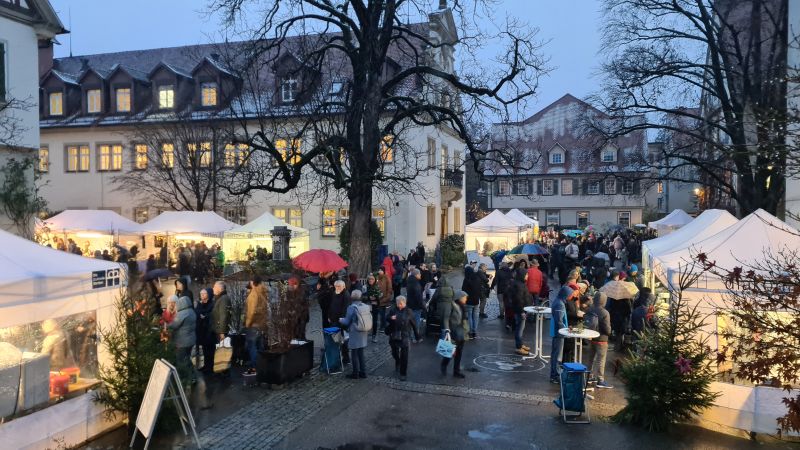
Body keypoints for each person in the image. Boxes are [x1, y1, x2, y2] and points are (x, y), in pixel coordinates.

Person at [386, 295, 422, 381]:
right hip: (394, 334)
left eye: (400, 304)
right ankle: (397, 361)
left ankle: (403, 373)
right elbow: (386, 318)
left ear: (404, 303)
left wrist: (417, 336)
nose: (399, 305)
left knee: (404, 355)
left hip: (404, 335)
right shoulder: (393, 310)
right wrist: (391, 318)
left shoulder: (409, 311)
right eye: (398, 303)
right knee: (394, 352)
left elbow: (414, 325)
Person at [339, 290, 370, 379]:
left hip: (355, 332)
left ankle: (355, 373)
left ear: (352, 297)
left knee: (354, 353)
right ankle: (363, 372)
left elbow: (346, 321)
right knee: (361, 352)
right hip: (363, 331)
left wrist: (341, 320)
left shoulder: (351, 307)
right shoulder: (365, 306)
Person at [586, 292, 613, 388]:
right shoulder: (605, 312)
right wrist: (610, 332)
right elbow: (607, 329)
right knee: (601, 360)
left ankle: (589, 377)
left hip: (591, 337)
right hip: (602, 339)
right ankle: (600, 380)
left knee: (591, 358)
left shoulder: (590, 309)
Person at [244, 275, 268, 375]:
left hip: (254, 325)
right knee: (260, 346)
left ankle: (255, 367)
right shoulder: (263, 292)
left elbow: (251, 312)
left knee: (252, 346)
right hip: (261, 323)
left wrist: (247, 324)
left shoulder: (253, 294)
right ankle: (262, 365)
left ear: (253, 282)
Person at [440, 290, 468, 378]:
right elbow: (446, 318)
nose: (466, 299)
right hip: (452, 331)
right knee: (449, 351)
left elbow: (464, 319)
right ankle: (444, 364)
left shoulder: (463, 307)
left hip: (460, 332)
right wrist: (447, 330)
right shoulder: (451, 306)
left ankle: (456, 371)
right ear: (459, 298)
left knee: (459, 352)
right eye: (464, 298)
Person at [168, 295, 197, 381]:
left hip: (182, 342)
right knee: (187, 358)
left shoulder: (182, 314)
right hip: (191, 340)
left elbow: (173, 325)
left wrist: (166, 325)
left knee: (181, 360)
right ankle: (193, 376)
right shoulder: (191, 311)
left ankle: (185, 379)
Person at [549, 286, 572, 384]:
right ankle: (555, 376)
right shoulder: (560, 304)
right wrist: (566, 330)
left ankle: (554, 374)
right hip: (559, 334)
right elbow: (559, 321)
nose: (570, 296)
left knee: (555, 354)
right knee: (557, 356)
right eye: (570, 294)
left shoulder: (558, 301)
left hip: (557, 332)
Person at [507, 268, 530, 355]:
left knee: (521, 328)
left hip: (521, 309)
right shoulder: (519, 285)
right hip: (520, 310)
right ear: (522, 275)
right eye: (526, 274)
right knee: (519, 329)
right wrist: (522, 311)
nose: (527, 276)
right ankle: (518, 347)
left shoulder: (519, 283)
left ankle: (520, 344)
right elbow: (518, 299)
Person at [330, 280, 351, 364]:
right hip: (334, 320)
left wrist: (341, 320)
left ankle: (346, 358)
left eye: (339, 286)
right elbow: (332, 305)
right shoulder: (335, 293)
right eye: (336, 286)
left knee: (343, 340)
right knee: (336, 339)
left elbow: (345, 309)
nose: (337, 288)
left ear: (343, 286)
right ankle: (338, 357)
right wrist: (329, 316)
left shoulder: (346, 295)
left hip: (341, 321)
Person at [195, 288, 216, 375]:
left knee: (210, 350)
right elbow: (197, 312)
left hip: (209, 330)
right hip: (201, 330)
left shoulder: (212, 304)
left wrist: (205, 316)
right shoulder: (200, 303)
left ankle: (210, 367)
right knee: (204, 349)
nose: (202, 295)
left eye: (204, 293)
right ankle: (206, 366)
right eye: (201, 294)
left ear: (208, 295)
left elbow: (212, 314)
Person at [461, 265, 481, 339]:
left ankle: (470, 332)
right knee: (475, 316)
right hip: (476, 300)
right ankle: (474, 332)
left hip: (469, 300)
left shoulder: (466, 279)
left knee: (469, 316)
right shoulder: (477, 278)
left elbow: (463, 290)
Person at [365, 273, 385, 343]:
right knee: (368, 319)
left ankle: (374, 335)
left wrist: (375, 298)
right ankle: (369, 331)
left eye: (372, 279)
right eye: (369, 279)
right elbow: (364, 296)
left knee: (375, 321)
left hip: (375, 306)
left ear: (374, 280)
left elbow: (381, 295)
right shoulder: (367, 287)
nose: (370, 280)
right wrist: (368, 298)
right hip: (368, 306)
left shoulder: (376, 287)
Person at [405, 268, 425, 335]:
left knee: (410, 322)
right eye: (419, 274)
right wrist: (423, 306)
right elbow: (418, 297)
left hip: (410, 304)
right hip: (416, 306)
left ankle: (410, 336)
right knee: (416, 322)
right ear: (416, 274)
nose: (420, 275)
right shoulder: (416, 284)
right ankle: (415, 336)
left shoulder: (409, 281)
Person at [211, 280, 230, 345]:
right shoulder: (219, 298)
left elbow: (224, 316)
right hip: (217, 330)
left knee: (222, 348)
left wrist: (222, 332)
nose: (213, 288)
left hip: (220, 331)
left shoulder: (223, 299)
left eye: (214, 287)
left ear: (220, 289)